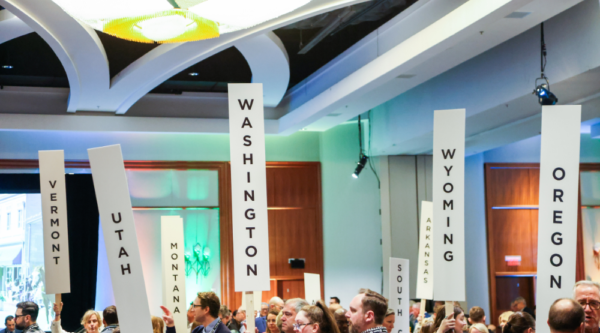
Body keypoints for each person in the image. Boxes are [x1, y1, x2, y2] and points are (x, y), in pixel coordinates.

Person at [164, 291, 231, 333]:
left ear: (206, 309)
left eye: (195, 306)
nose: (192, 310)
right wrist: (170, 325)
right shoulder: (198, 330)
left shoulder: (223, 331)